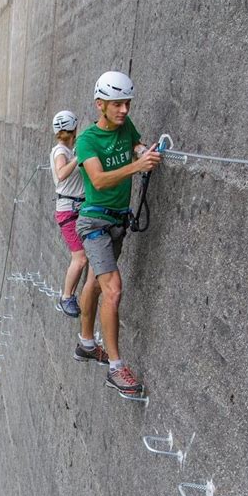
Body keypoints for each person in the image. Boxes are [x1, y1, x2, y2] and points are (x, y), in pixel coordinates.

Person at [73, 71, 161, 395]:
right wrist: (137, 167)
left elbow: (134, 143)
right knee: (113, 290)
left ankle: (85, 342)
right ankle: (116, 368)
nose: (124, 109)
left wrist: (140, 151)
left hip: (117, 223)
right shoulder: (87, 141)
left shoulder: (126, 127)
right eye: (117, 104)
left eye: (127, 103)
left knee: (95, 283)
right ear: (100, 105)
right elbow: (98, 180)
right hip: (94, 223)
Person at [50, 110, 88, 317]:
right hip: (69, 211)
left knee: (84, 255)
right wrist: (78, 159)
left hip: (76, 208)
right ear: (73, 128)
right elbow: (62, 173)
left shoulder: (67, 150)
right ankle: (66, 297)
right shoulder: (60, 151)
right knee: (80, 258)